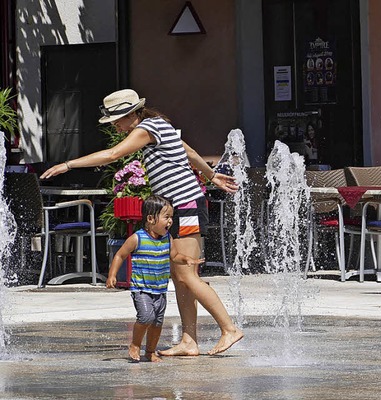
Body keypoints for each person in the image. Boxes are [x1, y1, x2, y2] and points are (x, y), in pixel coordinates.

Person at [41, 89, 244, 356]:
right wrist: (211, 175)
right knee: (179, 277)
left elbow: (113, 154)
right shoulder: (159, 126)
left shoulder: (147, 129)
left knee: (186, 274)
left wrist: (68, 165)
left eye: (117, 119)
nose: (115, 125)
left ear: (132, 113)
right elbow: (190, 152)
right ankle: (189, 341)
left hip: (185, 206)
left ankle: (229, 328)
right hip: (179, 207)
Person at [106, 195, 203, 362]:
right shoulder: (138, 238)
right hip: (141, 288)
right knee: (145, 317)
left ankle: (150, 351)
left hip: (160, 289)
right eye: (166, 217)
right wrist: (112, 275)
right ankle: (135, 345)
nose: (170, 221)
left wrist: (187, 259)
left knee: (157, 322)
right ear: (151, 219)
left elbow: (175, 256)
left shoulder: (167, 239)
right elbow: (120, 255)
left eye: (171, 217)